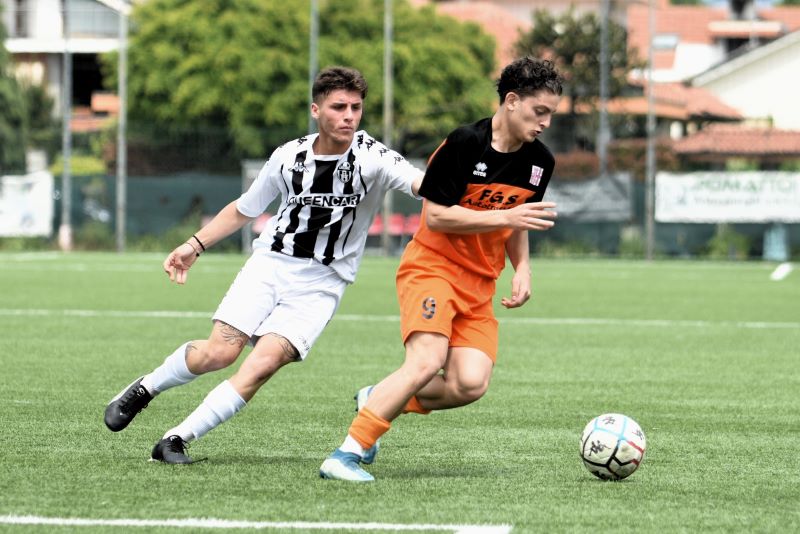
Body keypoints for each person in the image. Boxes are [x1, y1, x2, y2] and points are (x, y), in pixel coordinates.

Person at [104, 66, 423, 464]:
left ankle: (175, 440)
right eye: (339, 107)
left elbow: (418, 183)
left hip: (323, 282)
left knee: (263, 364)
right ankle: (145, 388)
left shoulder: (373, 156)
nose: (349, 116)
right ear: (316, 110)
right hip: (271, 265)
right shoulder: (288, 157)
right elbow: (245, 208)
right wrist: (194, 245)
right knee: (219, 353)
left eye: (356, 108)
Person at [320, 57, 563, 482]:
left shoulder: (540, 161)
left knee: (470, 384)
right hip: (432, 268)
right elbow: (436, 217)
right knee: (425, 362)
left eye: (551, 114)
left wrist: (522, 267)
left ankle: (378, 398)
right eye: (539, 111)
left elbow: (518, 220)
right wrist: (505, 218)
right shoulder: (464, 143)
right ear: (511, 101)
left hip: (479, 284)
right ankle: (346, 453)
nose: (545, 122)